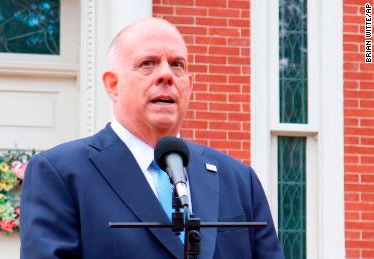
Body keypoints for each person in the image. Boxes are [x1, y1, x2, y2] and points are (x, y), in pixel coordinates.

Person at [20, 17, 284, 259]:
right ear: (113, 85)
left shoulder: (238, 180)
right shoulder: (60, 174)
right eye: (148, 63)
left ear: (189, 86)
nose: (166, 75)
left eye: (177, 65)